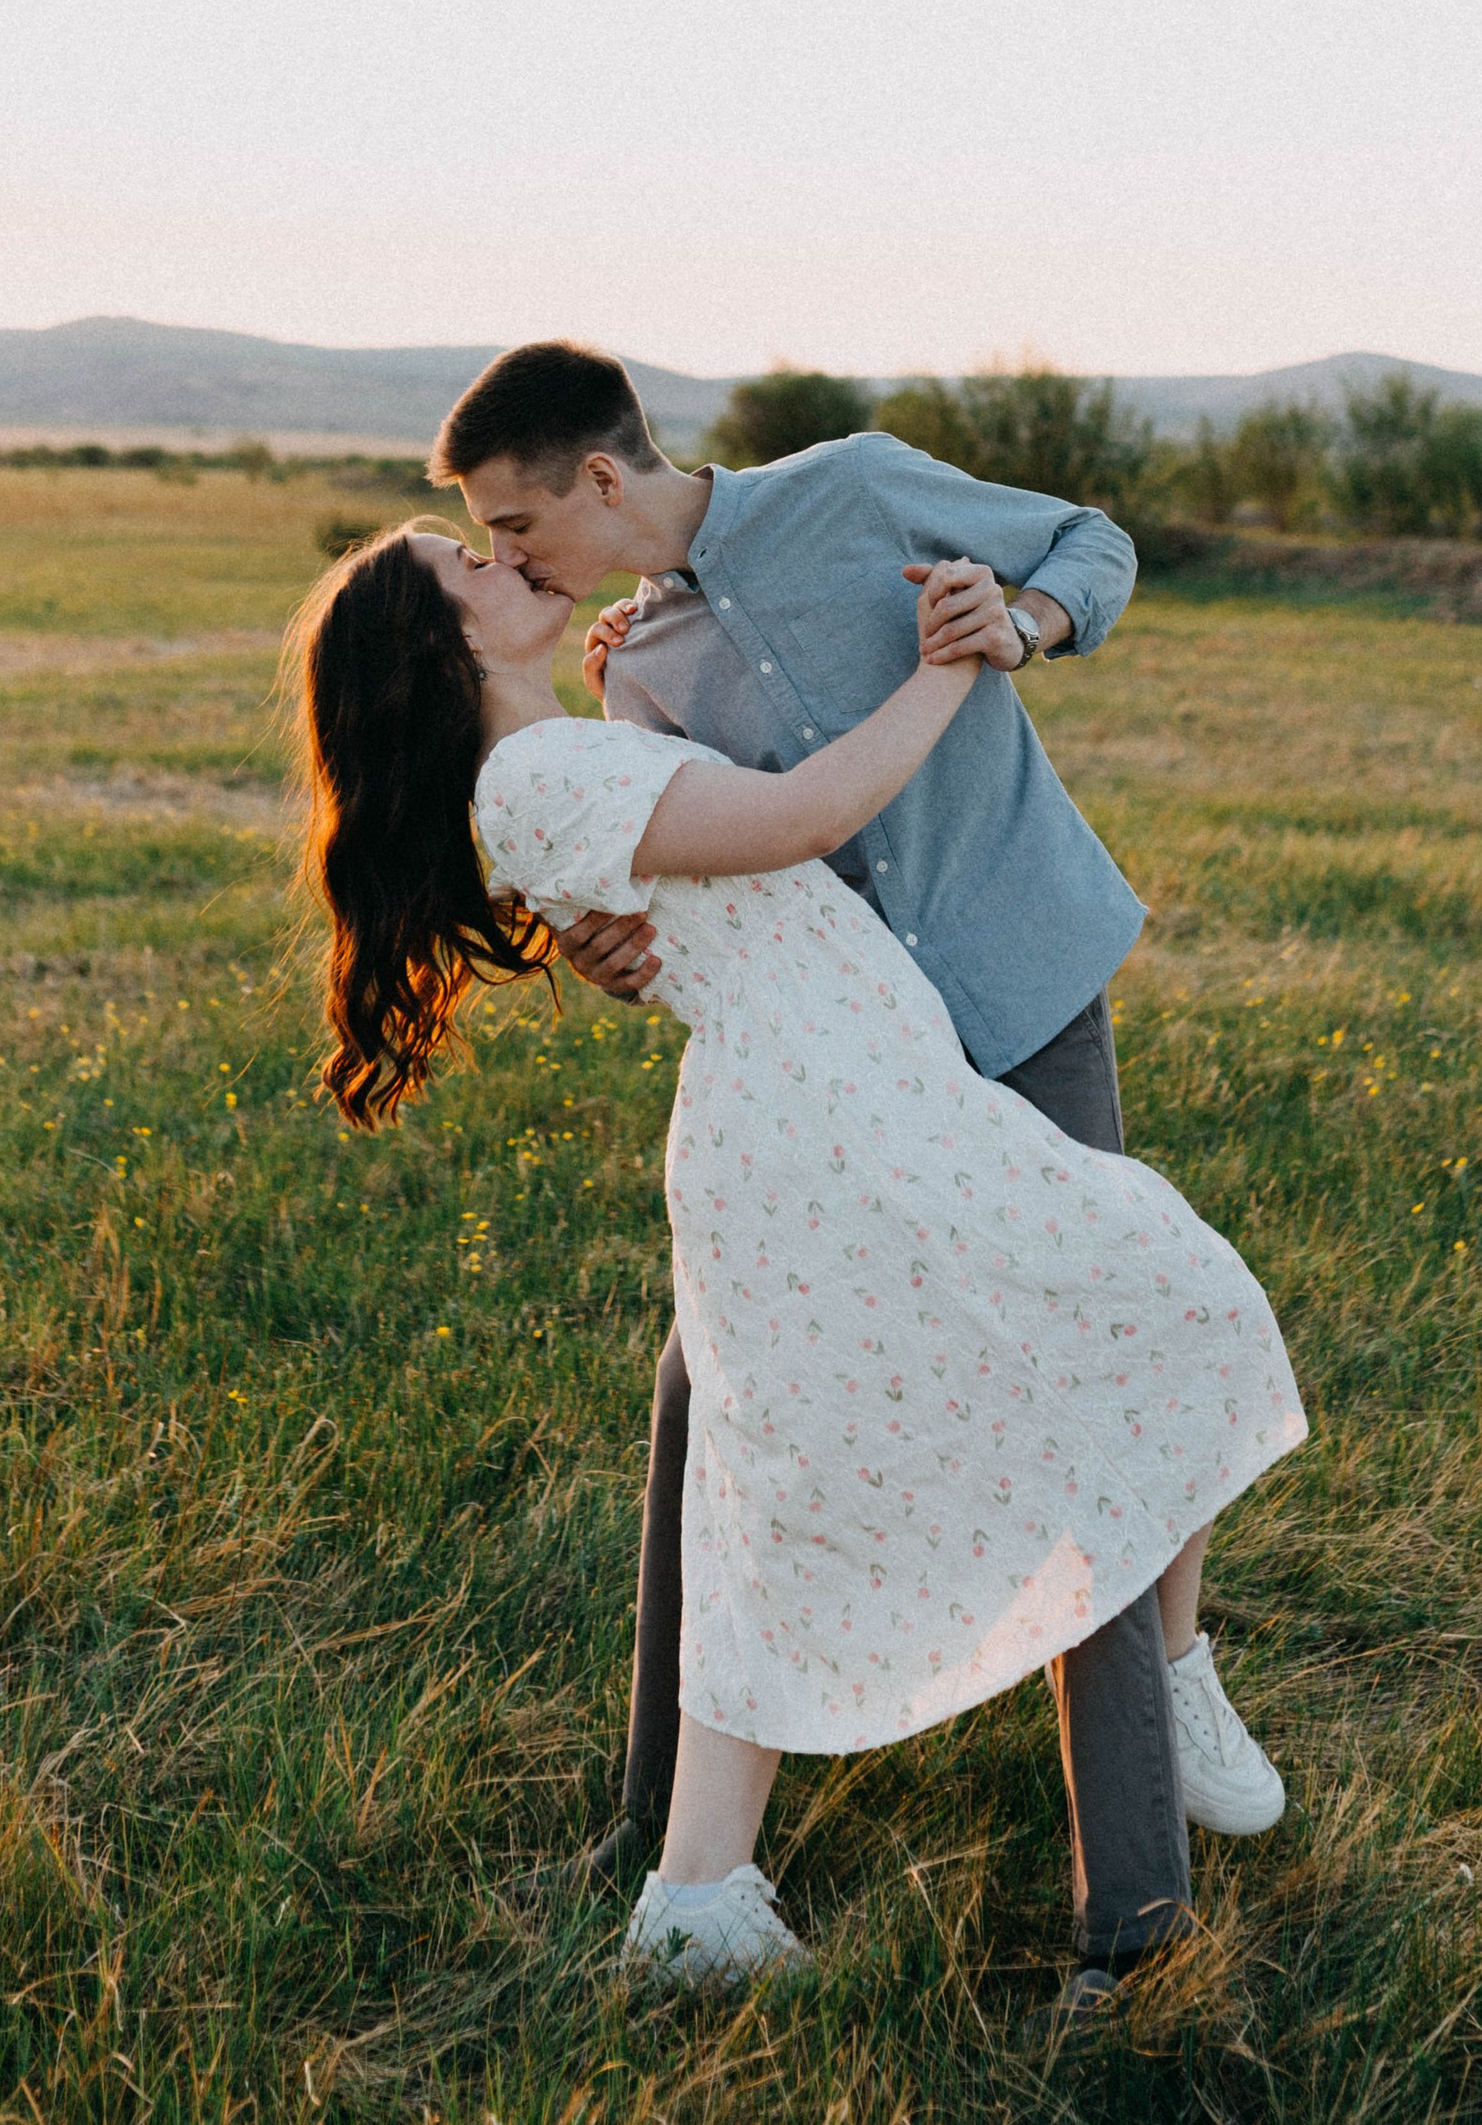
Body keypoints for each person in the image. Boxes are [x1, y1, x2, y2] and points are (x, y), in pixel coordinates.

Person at [294, 347, 1304, 2011]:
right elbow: (714, 863)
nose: (510, 554)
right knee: (731, 1405)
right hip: (832, 1096)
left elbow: (1092, 544)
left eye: (513, 522)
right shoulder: (627, 679)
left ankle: (1136, 1882)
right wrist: (621, 955)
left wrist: (1016, 629)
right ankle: (680, 1852)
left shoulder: (845, 492)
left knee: (1095, 1337)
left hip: (1013, 990)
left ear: (602, 483)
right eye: (481, 548)